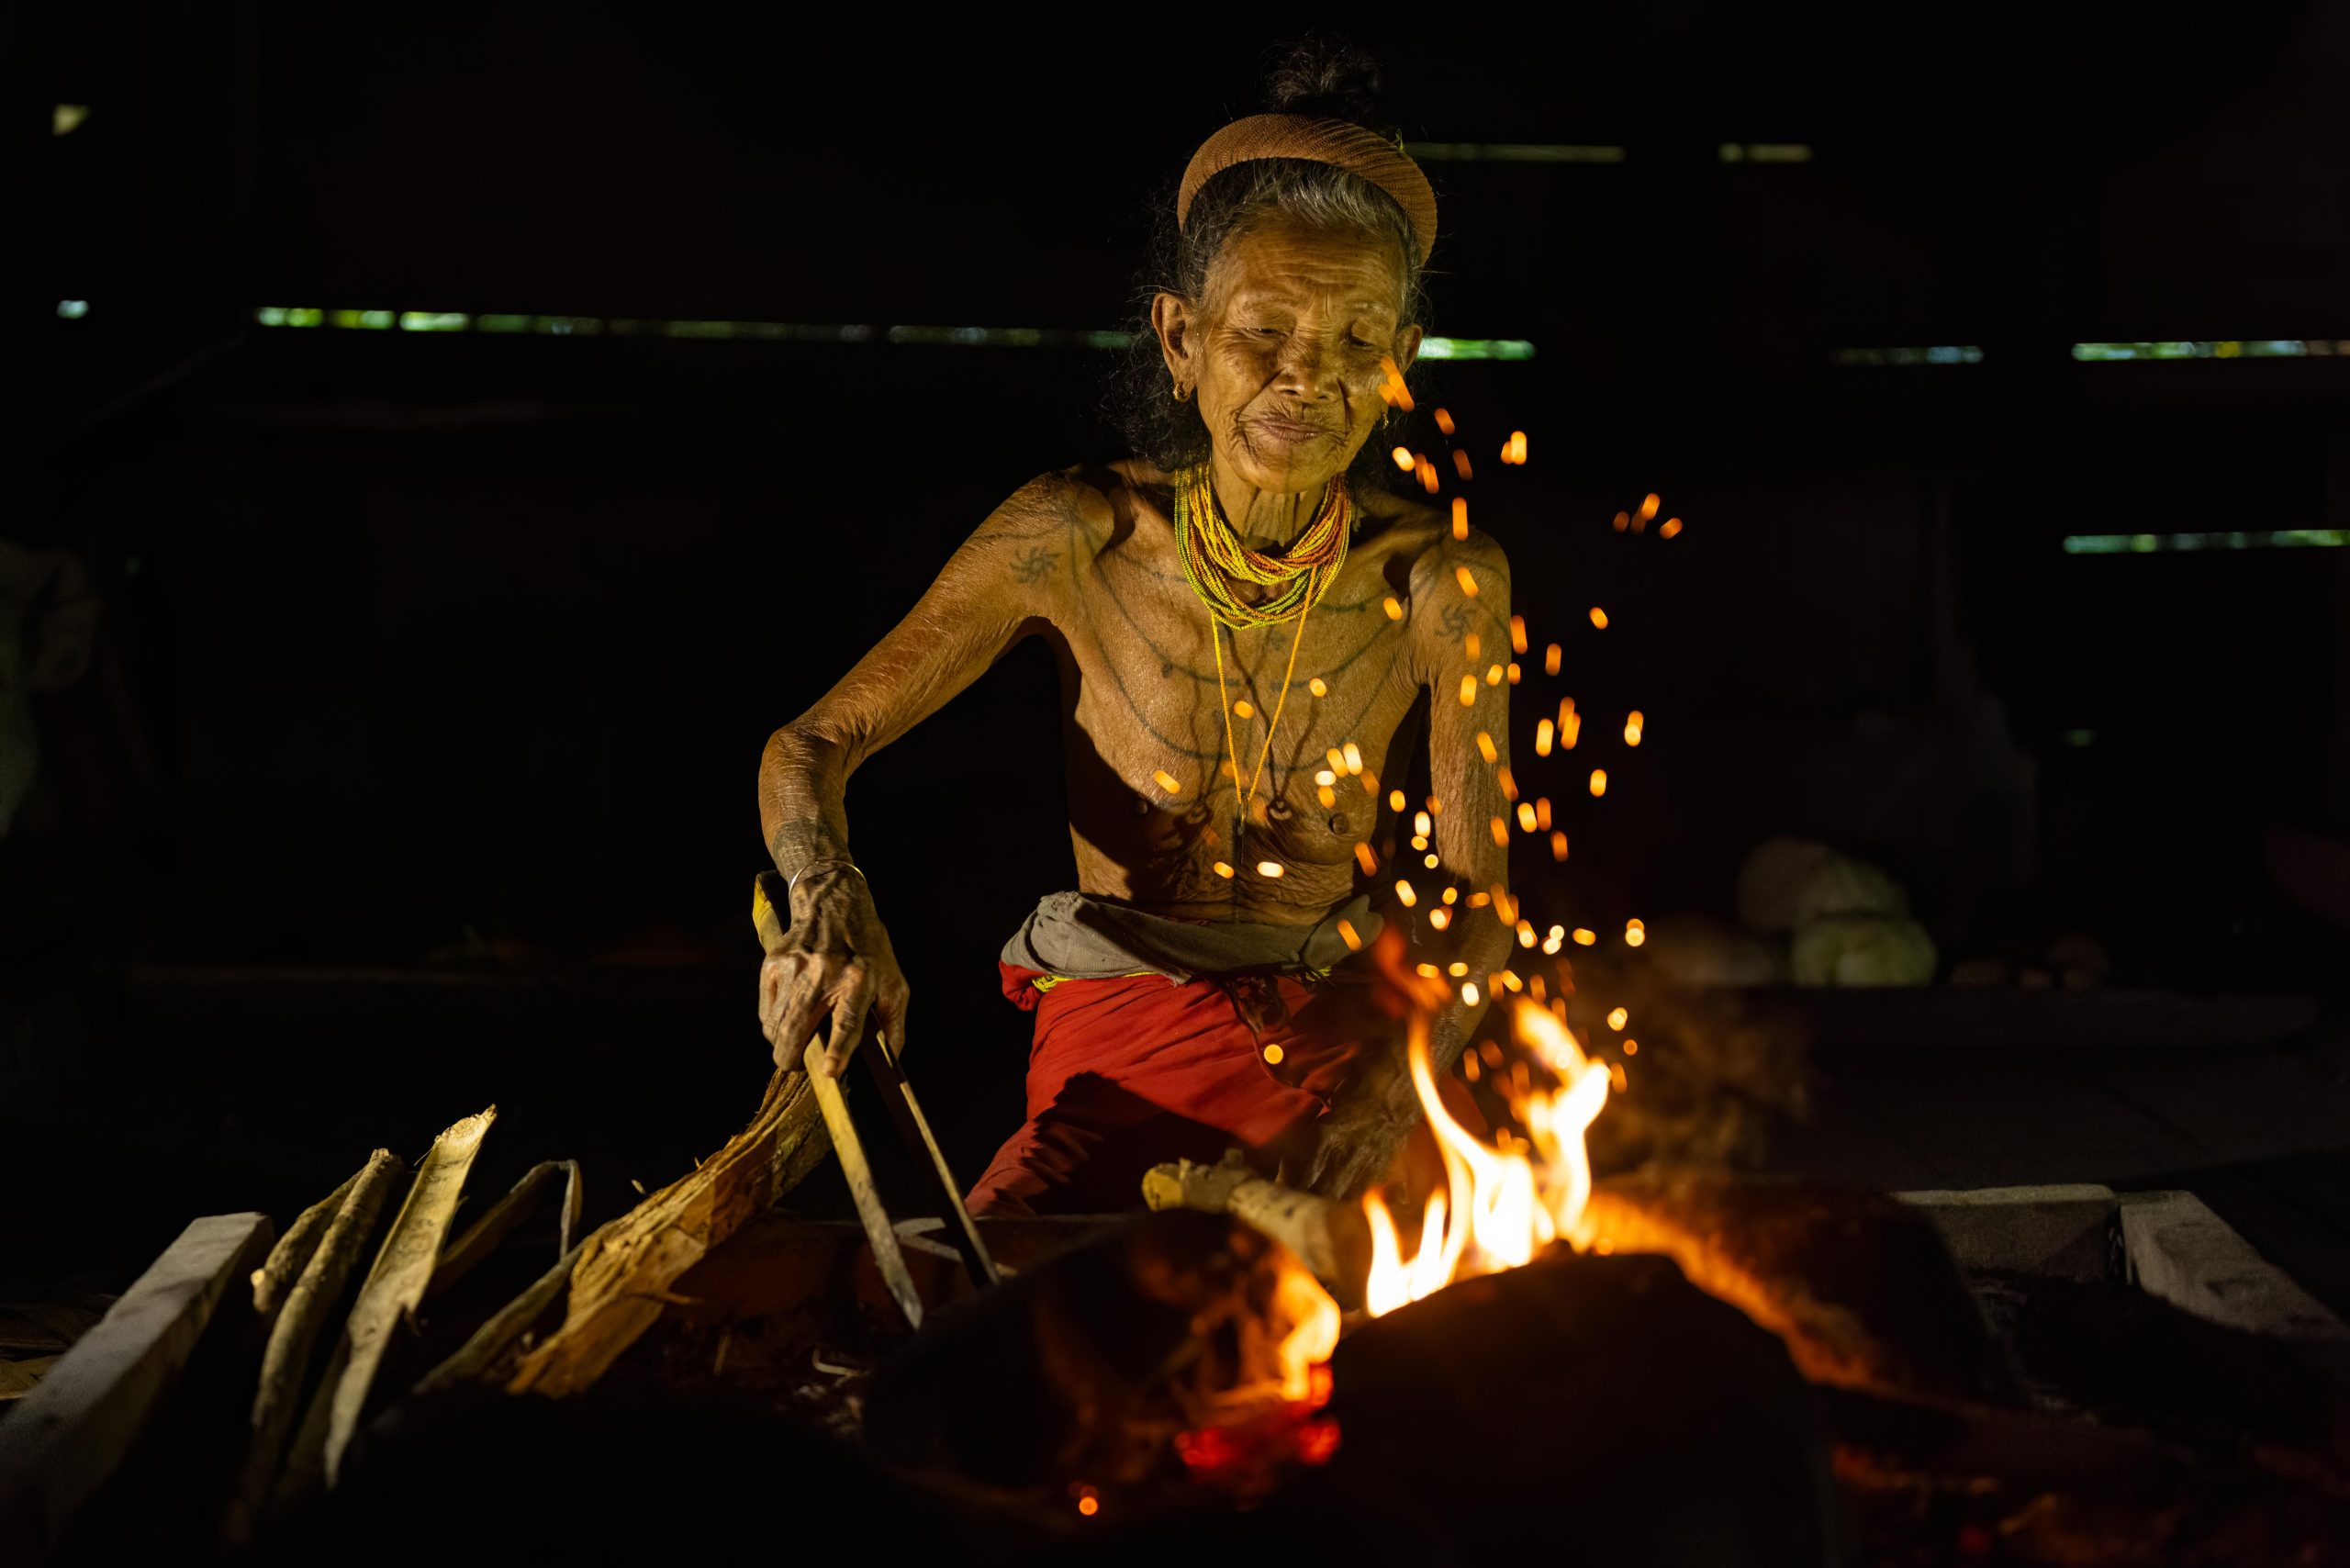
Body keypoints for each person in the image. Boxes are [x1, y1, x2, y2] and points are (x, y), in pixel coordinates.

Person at [755, 43, 1512, 1214]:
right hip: (1118, 1057)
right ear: (1181, 341)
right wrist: (824, 896)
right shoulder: (1074, 538)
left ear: (1399, 366)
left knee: (1455, 1331)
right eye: (1263, 331)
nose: (1307, 376)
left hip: (1353, 1054)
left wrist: (1395, 1099)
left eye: (1360, 340)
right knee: (1007, 1298)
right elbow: (807, 746)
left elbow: (1477, 908)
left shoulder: (1440, 582)